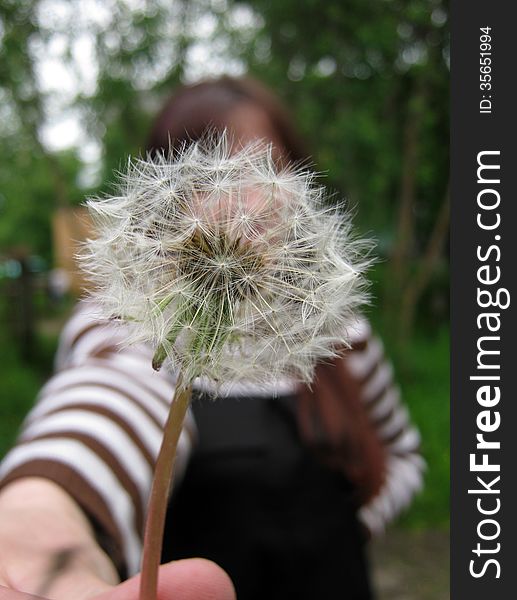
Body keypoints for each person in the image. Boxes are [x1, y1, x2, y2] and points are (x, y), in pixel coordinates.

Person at [0, 77, 424, 600]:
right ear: (165, 190)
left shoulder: (342, 333)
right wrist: (44, 509)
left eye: (266, 168)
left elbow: (403, 453)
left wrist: (346, 533)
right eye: (213, 173)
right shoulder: (120, 321)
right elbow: (110, 397)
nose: (243, 197)